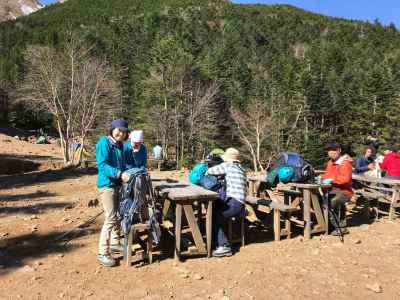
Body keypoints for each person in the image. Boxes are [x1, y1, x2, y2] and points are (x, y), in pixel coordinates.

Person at [96, 119, 131, 267]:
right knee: (110, 217)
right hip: (107, 186)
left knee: (118, 215)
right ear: (112, 129)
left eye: (123, 131)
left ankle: (115, 243)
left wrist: (129, 171)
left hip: (117, 185)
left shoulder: (120, 145)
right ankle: (102, 253)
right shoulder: (104, 142)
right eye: (118, 130)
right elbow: (102, 165)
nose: (120, 133)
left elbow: (123, 164)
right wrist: (119, 174)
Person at [205, 148, 247, 257]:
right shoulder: (241, 168)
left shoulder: (228, 166)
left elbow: (210, 171)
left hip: (234, 203)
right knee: (215, 207)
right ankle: (216, 239)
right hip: (241, 203)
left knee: (216, 215)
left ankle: (224, 246)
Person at [322, 142, 353, 235]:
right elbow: (327, 175)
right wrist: (321, 178)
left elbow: (345, 179)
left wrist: (331, 181)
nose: (331, 152)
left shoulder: (345, 163)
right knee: (319, 199)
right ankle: (328, 224)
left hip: (345, 191)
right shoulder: (330, 162)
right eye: (329, 151)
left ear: (339, 150)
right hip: (332, 190)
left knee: (332, 202)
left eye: (333, 150)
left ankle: (341, 227)